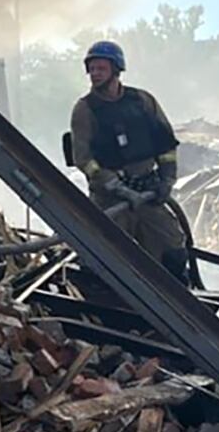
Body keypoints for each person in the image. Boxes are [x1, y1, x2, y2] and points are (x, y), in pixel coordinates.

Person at [68, 40, 190, 282]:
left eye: (101, 68)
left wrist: (167, 180)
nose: (94, 74)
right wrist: (115, 186)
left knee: (171, 246)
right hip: (109, 200)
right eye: (91, 69)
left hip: (147, 192)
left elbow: (165, 144)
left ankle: (175, 296)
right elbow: (83, 158)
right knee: (103, 257)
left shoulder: (142, 101)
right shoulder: (85, 109)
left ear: (116, 69)